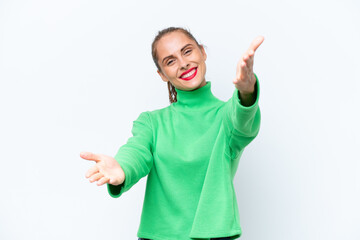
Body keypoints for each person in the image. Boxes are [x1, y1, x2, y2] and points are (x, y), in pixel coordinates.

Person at [80, 27, 264, 240]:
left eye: (187, 51)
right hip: (158, 236)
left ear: (202, 52)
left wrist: (247, 90)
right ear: (162, 75)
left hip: (215, 235)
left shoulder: (226, 116)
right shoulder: (152, 122)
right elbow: (136, 151)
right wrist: (122, 167)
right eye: (170, 61)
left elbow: (243, 120)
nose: (183, 63)